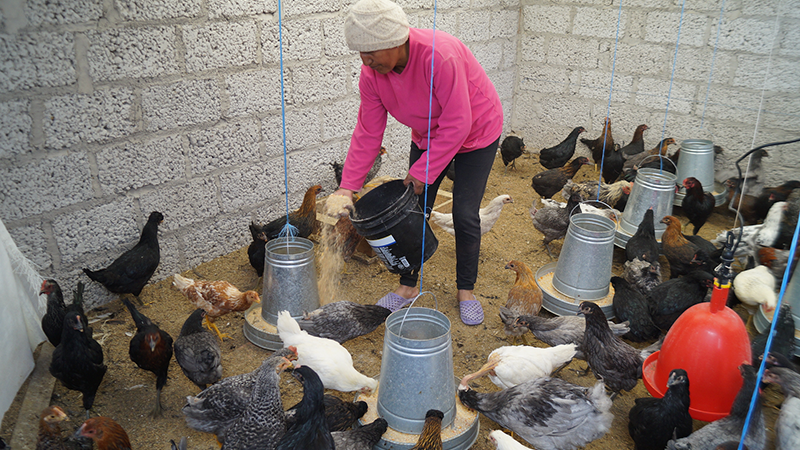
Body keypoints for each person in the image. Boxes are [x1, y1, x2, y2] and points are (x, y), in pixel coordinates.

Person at [328, 0, 503, 325]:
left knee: (465, 215)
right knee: (409, 212)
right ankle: (407, 287)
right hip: (428, 134)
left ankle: (466, 290)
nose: (365, 60)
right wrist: (347, 187)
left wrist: (423, 170)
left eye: (372, 51)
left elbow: (458, 122)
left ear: (396, 40)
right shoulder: (371, 76)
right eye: (360, 53)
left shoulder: (440, 55)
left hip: (476, 132)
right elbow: (368, 132)